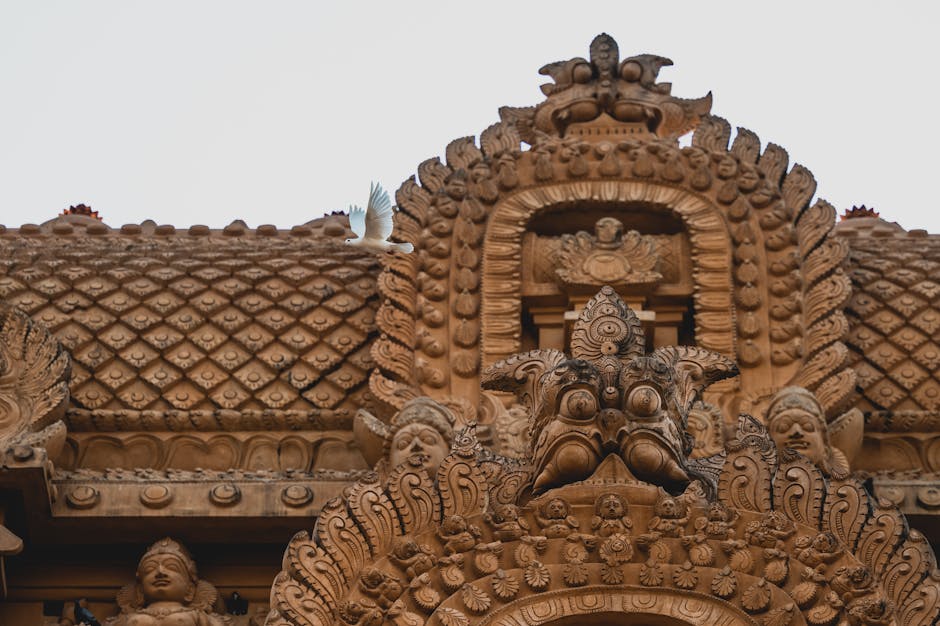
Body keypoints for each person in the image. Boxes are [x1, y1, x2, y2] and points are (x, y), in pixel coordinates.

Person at [107, 538, 228, 626]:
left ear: (190, 589)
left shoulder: (198, 616)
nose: (160, 572)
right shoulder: (125, 619)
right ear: (140, 590)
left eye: (172, 567)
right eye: (150, 569)